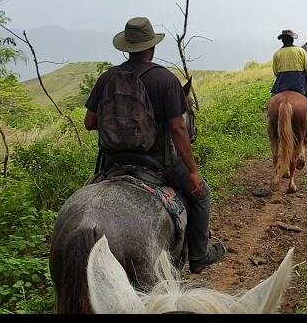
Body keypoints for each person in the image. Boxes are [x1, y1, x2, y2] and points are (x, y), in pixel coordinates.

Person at [83, 16, 225, 274]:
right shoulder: (165, 80)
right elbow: (178, 128)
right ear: (152, 47)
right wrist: (192, 171)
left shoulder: (108, 78)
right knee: (202, 194)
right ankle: (199, 255)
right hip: (159, 163)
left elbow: (89, 122)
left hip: (113, 163)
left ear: (127, 47)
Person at [271, 29, 307, 130]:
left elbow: (275, 72)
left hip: (282, 84)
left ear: (282, 40)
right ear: (292, 39)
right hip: (299, 83)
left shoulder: (277, 53)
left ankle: (271, 118)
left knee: (272, 100)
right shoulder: (300, 51)